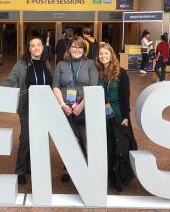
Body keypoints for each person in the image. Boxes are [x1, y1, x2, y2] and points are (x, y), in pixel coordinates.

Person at [0, 37, 52, 185]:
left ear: (42, 47)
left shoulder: (46, 63)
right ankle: (20, 170)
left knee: (39, 138)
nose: (36, 48)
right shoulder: (21, 64)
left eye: (39, 45)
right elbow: (11, 80)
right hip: (26, 107)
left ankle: (30, 166)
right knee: (26, 139)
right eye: (32, 46)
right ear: (29, 49)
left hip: (44, 108)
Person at [52, 36, 99, 182]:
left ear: (84, 49)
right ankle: (68, 169)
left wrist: (81, 105)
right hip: (65, 109)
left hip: (85, 108)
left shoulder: (90, 64)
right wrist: (62, 105)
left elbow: (93, 87)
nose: (76, 49)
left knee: (85, 138)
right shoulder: (61, 64)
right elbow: (56, 86)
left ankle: (85, 168)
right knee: (69, 140)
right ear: (69, 49)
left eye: (80, 47)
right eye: (74, 46)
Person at [96, 43, 137, 192]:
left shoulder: (121, 72)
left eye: (106, 53)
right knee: (107, 147)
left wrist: (126, 116)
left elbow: (126, 96)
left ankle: (119, 177)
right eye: (101, 54)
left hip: (118, 114)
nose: (103, 56)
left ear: (112, 54)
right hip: (103, 115)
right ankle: (106, 176)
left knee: (119, 146)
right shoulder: (98, 72)